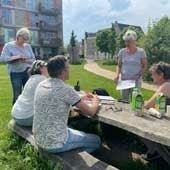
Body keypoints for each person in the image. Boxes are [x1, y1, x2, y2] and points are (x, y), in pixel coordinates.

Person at [33, 55, 101, 153]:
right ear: (62, 72)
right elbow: (91, 112)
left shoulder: (41, 85)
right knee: (96, 140)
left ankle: (72, 149)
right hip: (55, 143)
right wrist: (96, 100)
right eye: (68, 68)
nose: (69, 70)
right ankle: (75, 160)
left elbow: (58, 99)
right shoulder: (65, 89)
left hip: (39, 138)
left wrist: (80, 98)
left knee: (79, 132)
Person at [141, 62, 170, 162]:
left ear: (161, 75)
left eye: (153, 74)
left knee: (140, 124)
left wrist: (142, 104)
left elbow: (148, 105)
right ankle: (155, 151)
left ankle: (156, 151)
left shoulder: (166, 85)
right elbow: (154, 104)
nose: (151, 76)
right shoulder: (167, 84)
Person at [1, 27, 35, 104]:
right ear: (18, 36)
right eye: (24, 38)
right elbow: (2, 58)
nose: (25, 41)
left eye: (26, 39)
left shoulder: (27, 46)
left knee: (28, 93)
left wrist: (25, 60)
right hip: (15, 73)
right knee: (17, 94)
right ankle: (15, 114)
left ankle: (26, 113)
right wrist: (15, 57)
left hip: (27, 72)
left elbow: (33, 60)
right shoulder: (8, 46)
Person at [11, 60, 48, 126]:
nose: (48, 68)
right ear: (40, 68)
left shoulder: (31, 79)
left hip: (16, 114)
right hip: (25, 119)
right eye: (46, 66)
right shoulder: (42, 79)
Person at [114, 30, 147, 103]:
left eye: (129, 41)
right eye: (125, 41)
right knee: (124, 101)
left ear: (134, 41)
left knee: (135, 101)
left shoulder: (141, 52)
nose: (127, 43)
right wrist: (117, 75)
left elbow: (144, 66)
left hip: (136, 81)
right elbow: (119, 65)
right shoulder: (122, 52)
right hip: (124, 81)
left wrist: (138, 75)